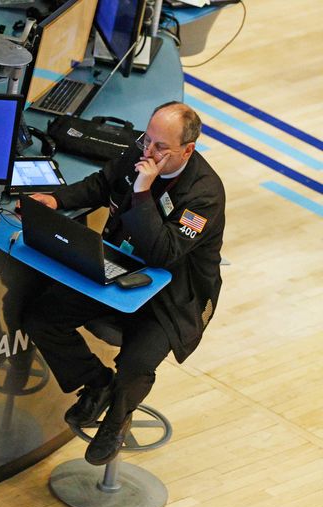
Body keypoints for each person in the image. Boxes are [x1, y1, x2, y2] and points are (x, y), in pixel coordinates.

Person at [21, 101, 225, 465]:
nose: (148, 151)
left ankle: (115, 423)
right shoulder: (141, 151)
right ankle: (97, 385)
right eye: (147, 139)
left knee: (136, 362)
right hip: (121, 268)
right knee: (42, 317)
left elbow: (163, 254)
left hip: (173, 295)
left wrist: (144, 190)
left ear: (187, 150)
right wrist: (55, 199)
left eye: (161, 147)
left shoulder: (204, 195)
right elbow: (102, 184)